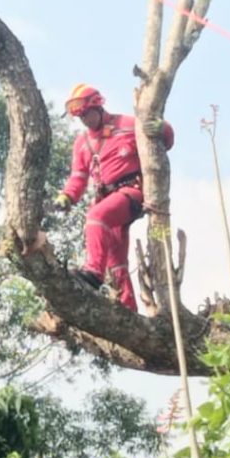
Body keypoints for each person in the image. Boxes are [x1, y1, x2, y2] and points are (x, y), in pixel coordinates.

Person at [53, 83, 174, 312]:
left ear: (98, 107)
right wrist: (67, 197)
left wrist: (163, 129)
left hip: (132, 192)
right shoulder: (82, 143)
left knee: (96, 217)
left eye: (87, 114)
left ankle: (93, 273)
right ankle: (127, 307)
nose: (86, 121)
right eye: (81, 118)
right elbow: (77, 178)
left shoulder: (127, 125)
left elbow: (164, 141)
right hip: (107, 198)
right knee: (115, 258)